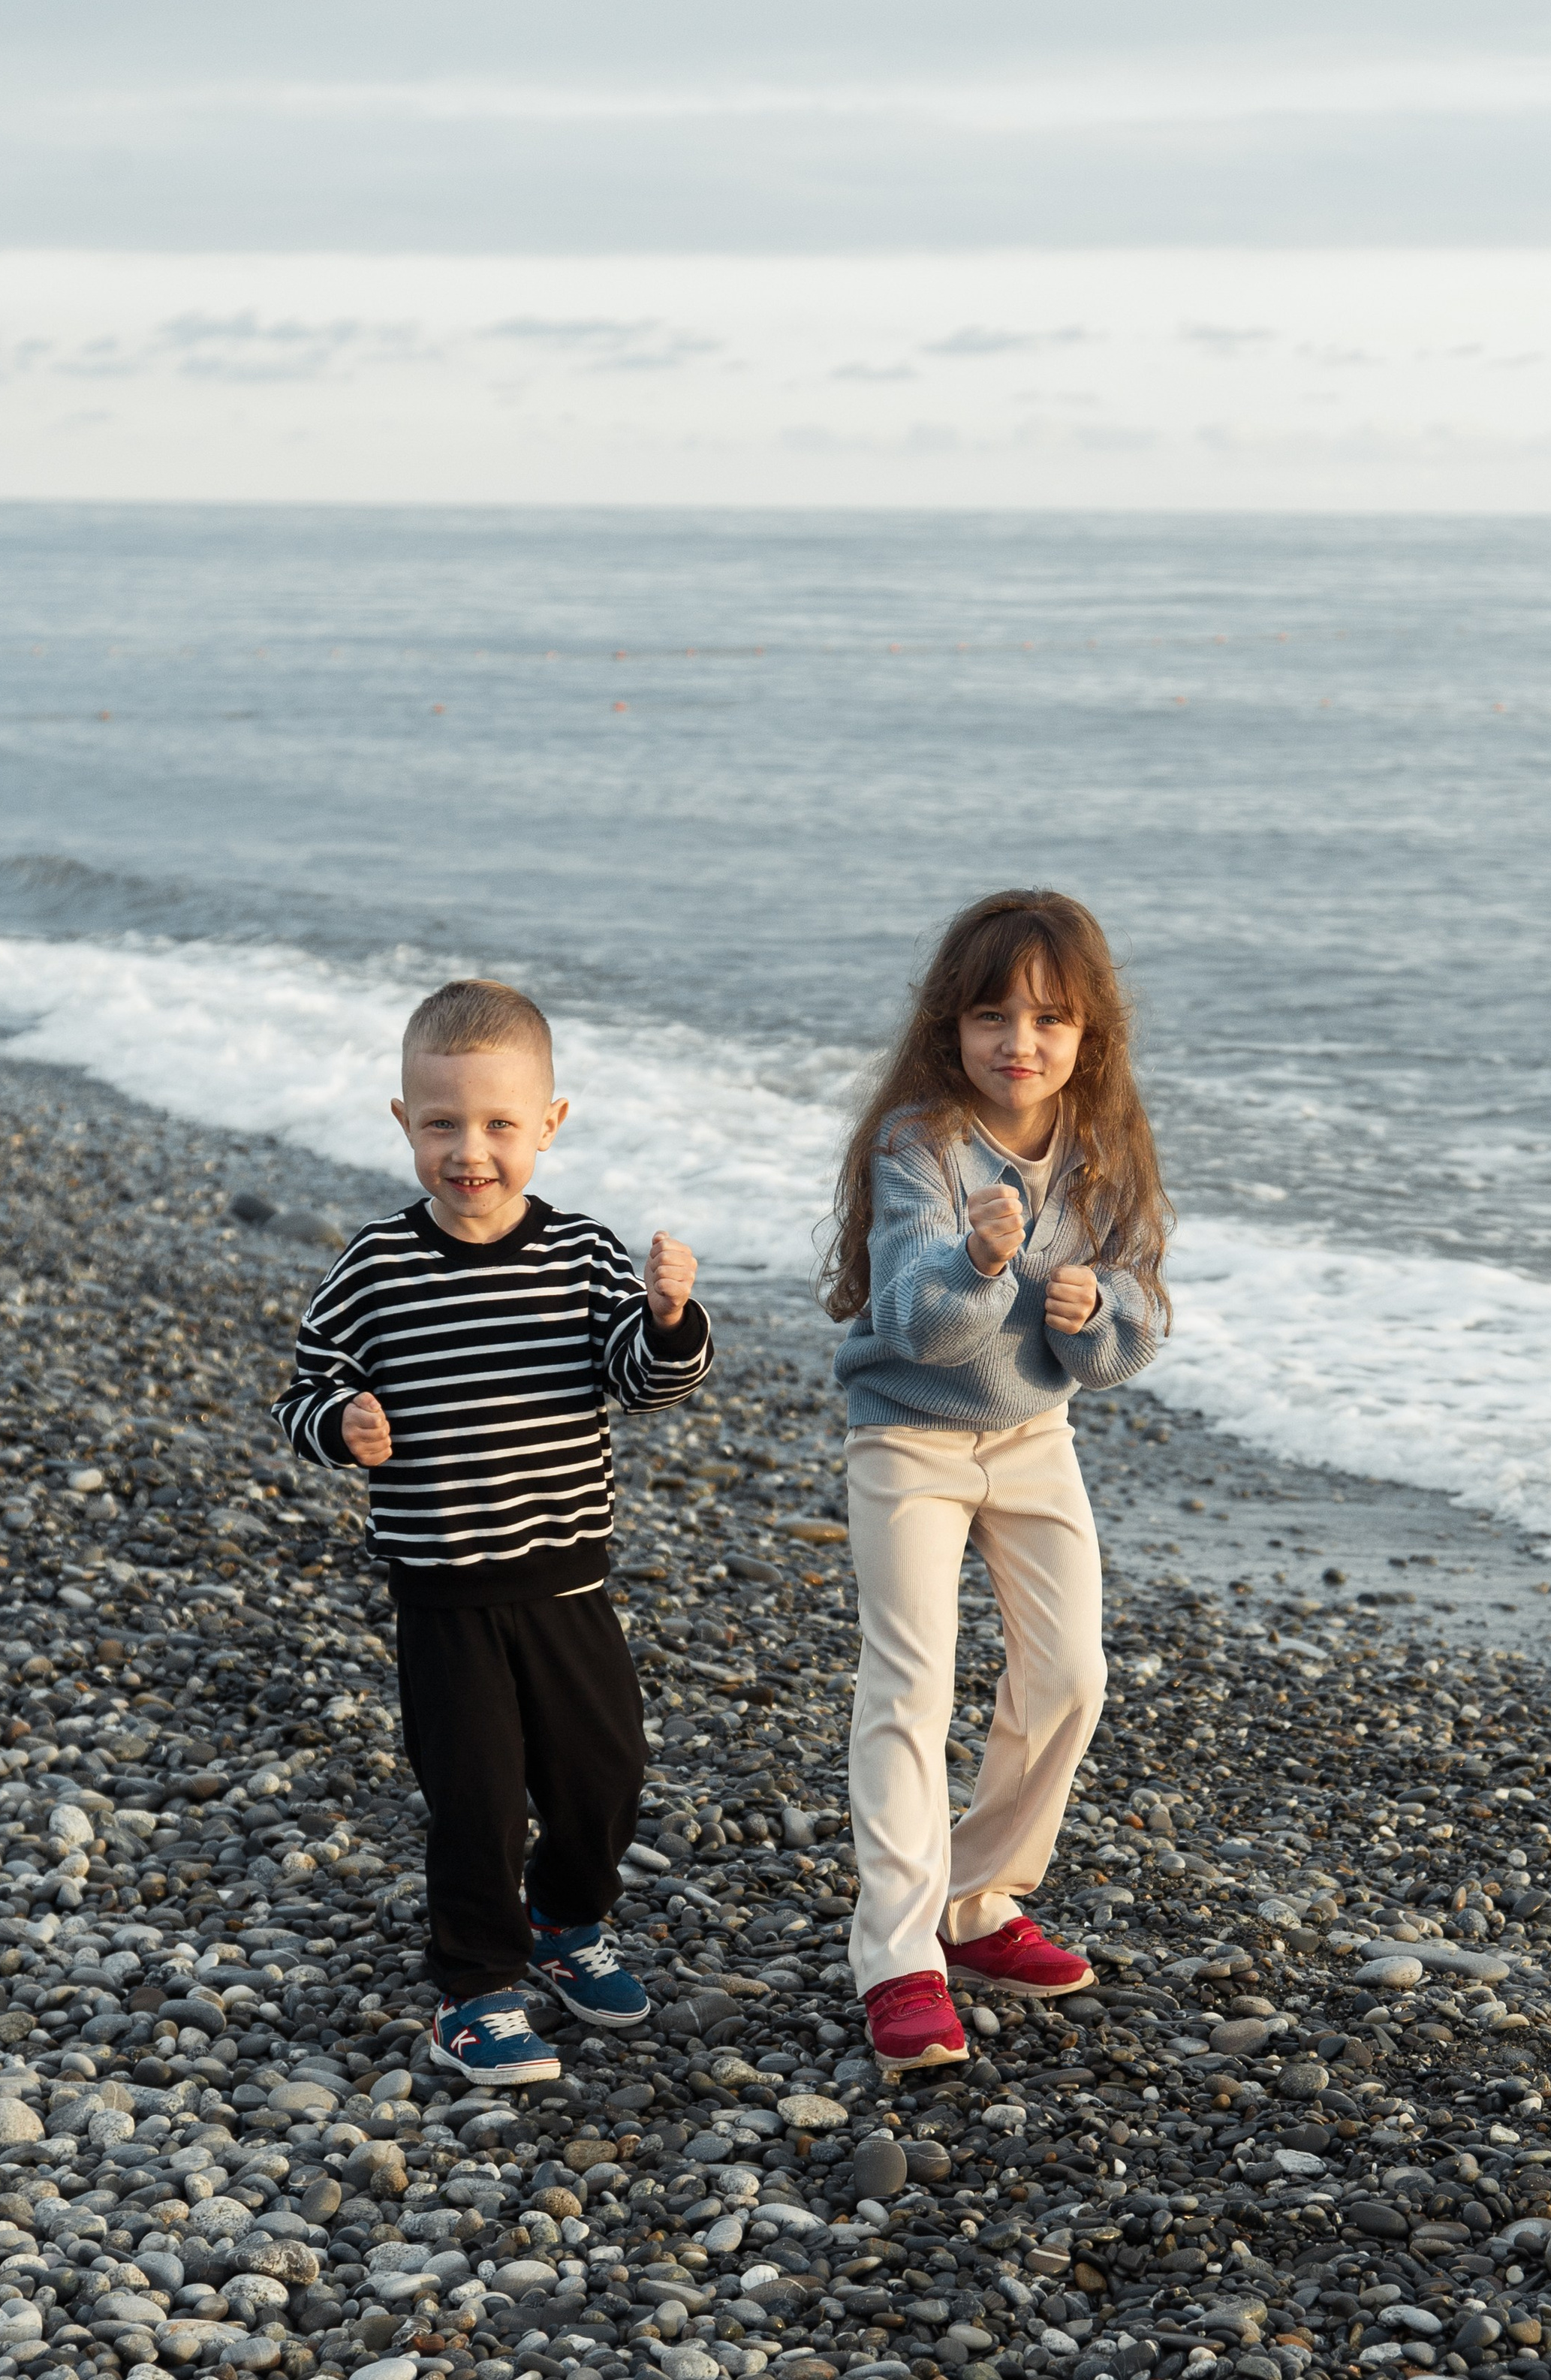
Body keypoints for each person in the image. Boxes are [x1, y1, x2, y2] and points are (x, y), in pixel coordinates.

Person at [273, 977, 712, 2086]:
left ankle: (570, 1925)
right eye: (442, 1124)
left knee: (603, 1775)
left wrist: (667, 1321)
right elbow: (304, 1392)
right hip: (444, 1590)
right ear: (403, 1122)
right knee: (472, 1795)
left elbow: (641, 1381)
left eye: (500, 1124)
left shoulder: (584, 1256)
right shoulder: (375, 1267)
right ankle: (474, 1992)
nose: (471, 1150)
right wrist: (344, 1423)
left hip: (567, 1581)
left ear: (549, 1125)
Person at [822, 890, 1170, 2068]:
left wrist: (1097, 1310)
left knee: (1073, 1674)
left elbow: (1138, 1315)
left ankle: (975, 1900)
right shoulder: (918, 1141)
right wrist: (982, 1261)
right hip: (908, 1433)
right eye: (991, 1015)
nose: (1019, 1041)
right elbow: (916, 1321)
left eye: (1049, 1020)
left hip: (1033, 1438)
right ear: (950, 1026)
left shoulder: (1101, 1143)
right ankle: (899, 1951)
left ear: (1090, 1037)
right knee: (912, 1684)